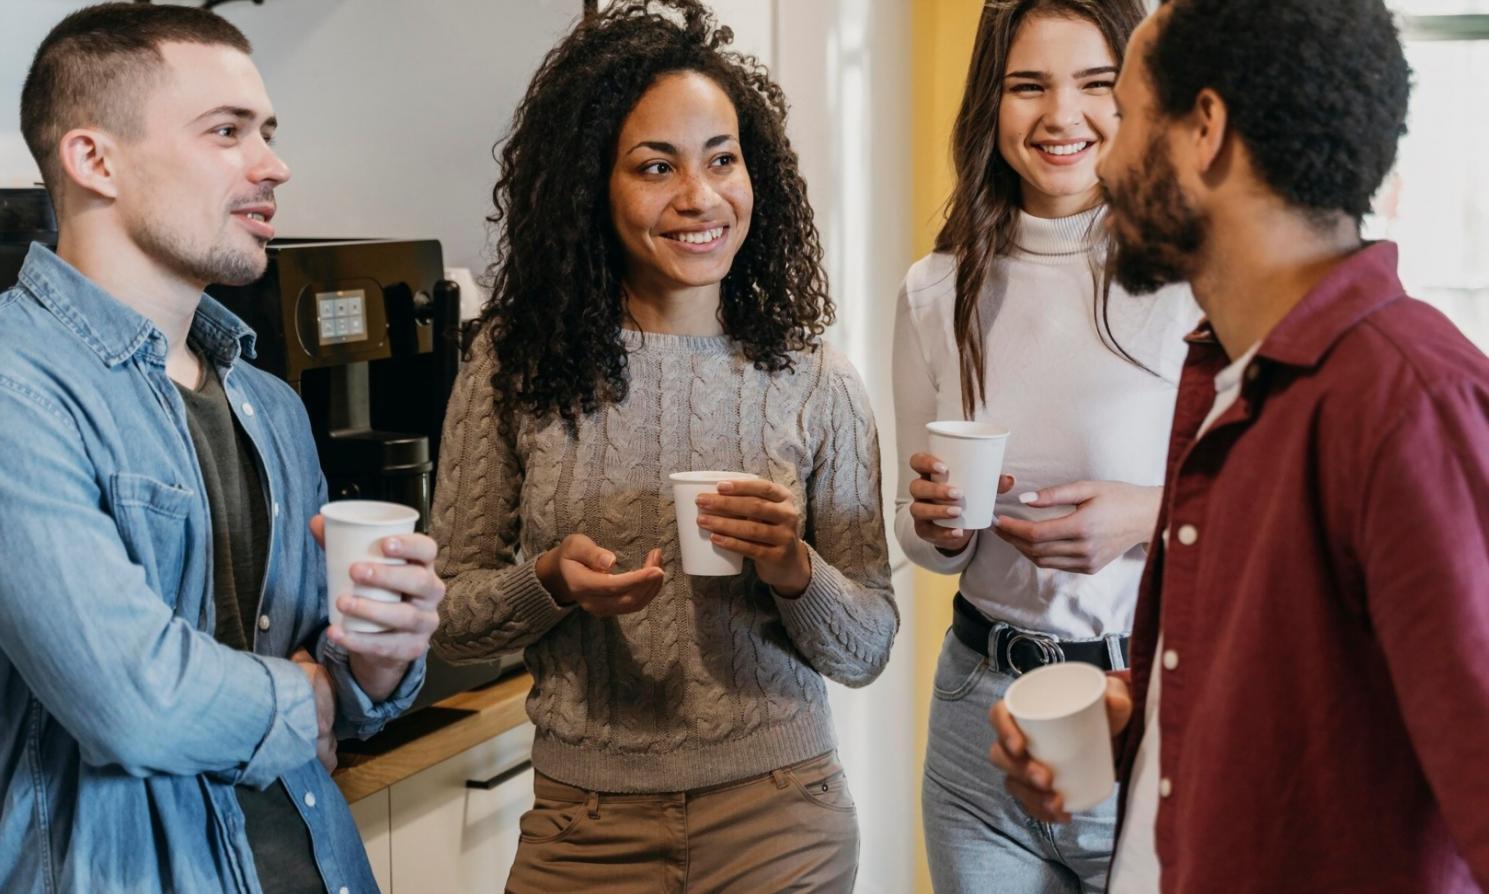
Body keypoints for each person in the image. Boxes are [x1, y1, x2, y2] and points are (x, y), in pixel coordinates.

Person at [990, 0, 1489, 890]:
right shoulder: (1225, 374)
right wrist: (1152, 726)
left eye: (1127, 115)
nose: (1107, 157)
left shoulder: (1411, 404)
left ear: (1204, 130)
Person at [428, 1, 897, 890]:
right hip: (583, 828)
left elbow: (867, 647)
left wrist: (792, 567)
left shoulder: (815, 381)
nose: (699, 197)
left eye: (722, 159)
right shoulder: (512, 367)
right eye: (655, 166)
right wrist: (547, 582)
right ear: (590, 186)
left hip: (780, 818)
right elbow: (452, 618)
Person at [0, 5, 446, 892]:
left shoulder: (268, 403)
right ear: (94, 160)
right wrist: (312, 696)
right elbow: (134, 700)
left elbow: (329, 673)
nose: (273, 165)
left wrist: (379, 656)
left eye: (267, 132)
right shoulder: (19, 392)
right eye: (227, 131)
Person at [893, 1, 1198, 890]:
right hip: (976, 715)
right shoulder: (936, 288)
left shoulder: (1192, 278)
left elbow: (1259, 510)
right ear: (990, 104)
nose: (1061, 116)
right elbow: (918, 537)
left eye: (1095, 84)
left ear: (1139, 97)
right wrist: (937, 526)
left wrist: (1143, 518)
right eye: (1027, 86)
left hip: (1134, 709)